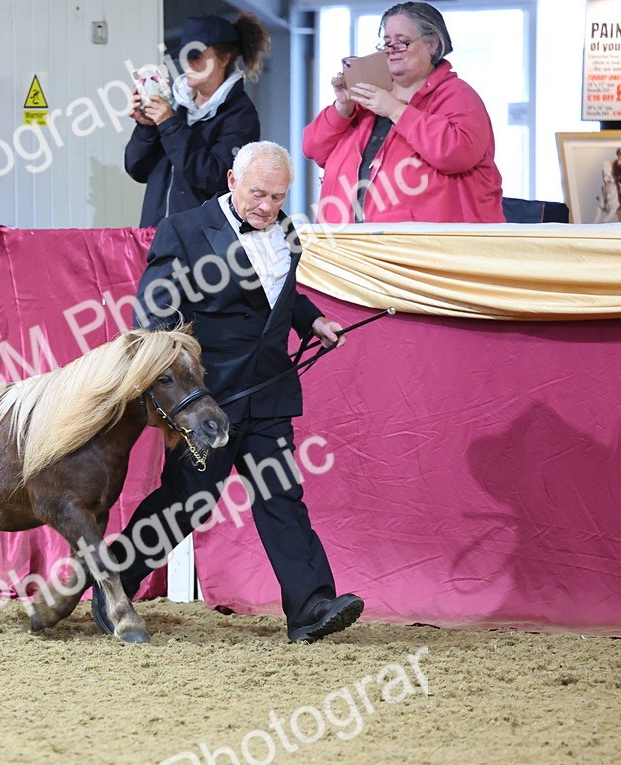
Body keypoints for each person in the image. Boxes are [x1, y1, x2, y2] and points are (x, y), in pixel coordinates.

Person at [91, 141, 364, 644]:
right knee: (188, 502)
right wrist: (173, 383)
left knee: (281, 496)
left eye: (278, 197)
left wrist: (311, 320)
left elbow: (277, 291)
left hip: (270, 393)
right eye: (258, 194)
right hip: (208, 403)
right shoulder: (185, 229)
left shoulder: (284, 230)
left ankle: (310, 606)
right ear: (232, 181)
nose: (267, 207)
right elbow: (153, 312)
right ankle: (114, 586)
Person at [302, 2, 504, 224]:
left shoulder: (458, 96)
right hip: (348, 245)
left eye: (402, 42)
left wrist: (396, 110)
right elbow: (313, 148)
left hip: (425, 249)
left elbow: (456, 154)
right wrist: (342, 107)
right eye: (387, 43)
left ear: (432, 44)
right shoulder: (368, 96)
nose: (391, 50)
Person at [125, 13, 270, 228]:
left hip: (203, 244)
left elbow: (215, 177)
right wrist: (146, 128)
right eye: (185, 56)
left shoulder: (241, 115)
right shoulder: (175, 104)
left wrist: (169, 124)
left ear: (223, 58)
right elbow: (137, 169)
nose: (188, 64)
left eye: (197, 57)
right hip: (155, 236)